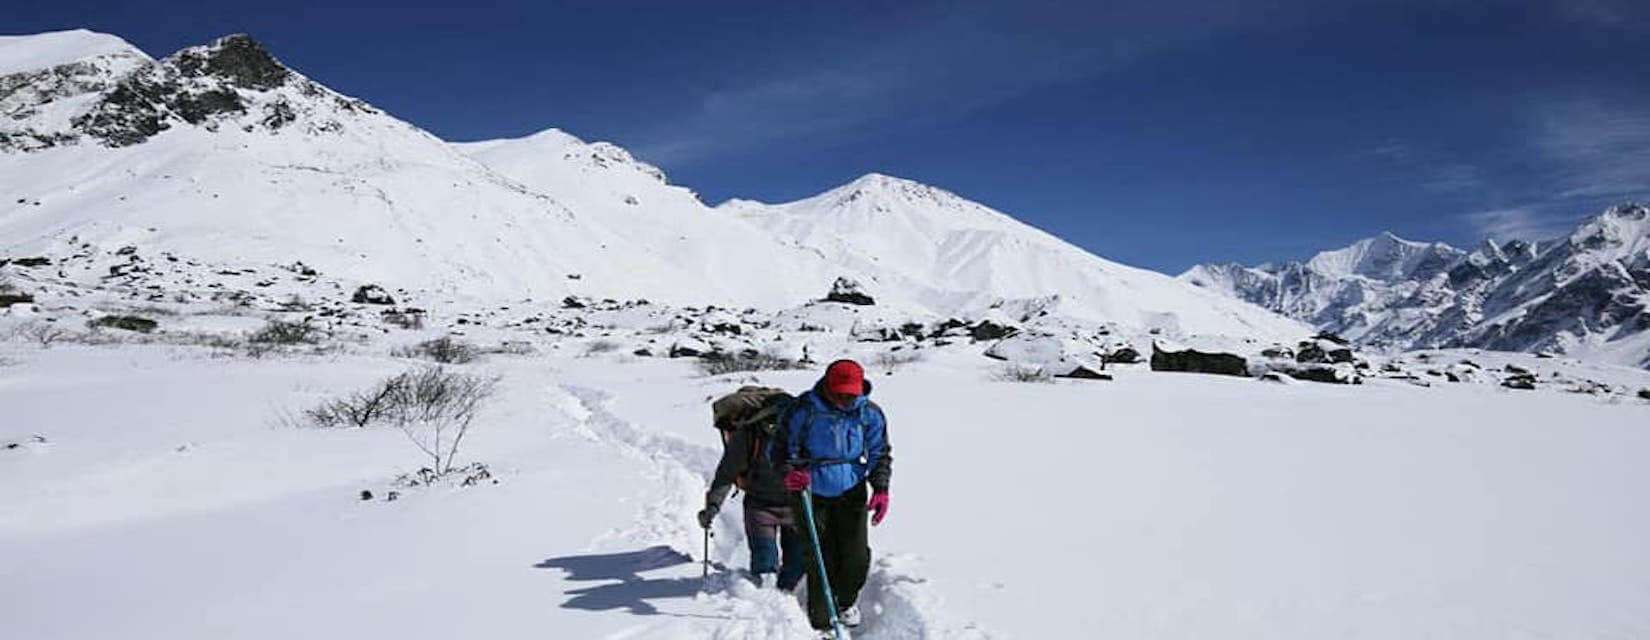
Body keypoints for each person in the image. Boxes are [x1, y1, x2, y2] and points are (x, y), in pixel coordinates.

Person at [781, 359, 893, 631]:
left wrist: (880, 489)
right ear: (827, 385)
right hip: (809, 491)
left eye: (850, 394)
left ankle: (844, 602)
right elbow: (780, 449)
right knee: (820, 556)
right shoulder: (802, 410)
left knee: (855, 556)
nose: (844, 399)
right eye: (839, 392)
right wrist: (790, 471)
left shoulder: (869, 413)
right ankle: (820, 623)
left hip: (851, 490)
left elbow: (880, 453)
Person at [698, 390, 806, 591]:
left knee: (796, 564)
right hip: (766, 506)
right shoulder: (749, 434)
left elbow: (726, 474)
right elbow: (727, 473)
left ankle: (782, 601)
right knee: (767, 565)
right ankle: (769, 602)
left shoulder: (803, 432)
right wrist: (712, 506)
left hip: (791, 505)